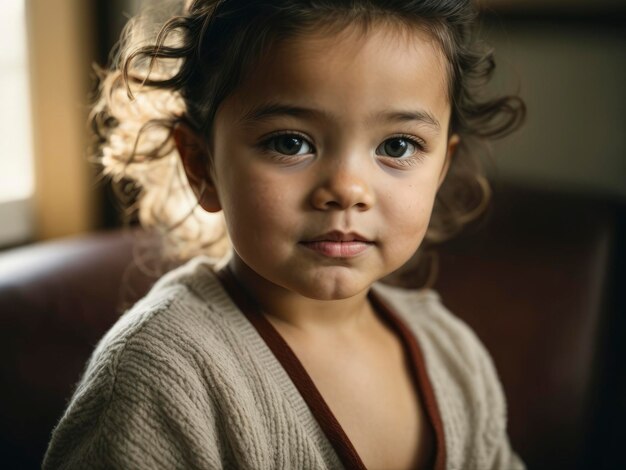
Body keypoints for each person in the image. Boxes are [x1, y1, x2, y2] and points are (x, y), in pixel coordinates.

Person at [44, 0, 526, 468]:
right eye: (290, 142)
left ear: (441, 167)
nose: (346, 190)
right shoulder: (160, 375)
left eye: (397, 145)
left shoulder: (453, 354)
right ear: (201, 165)